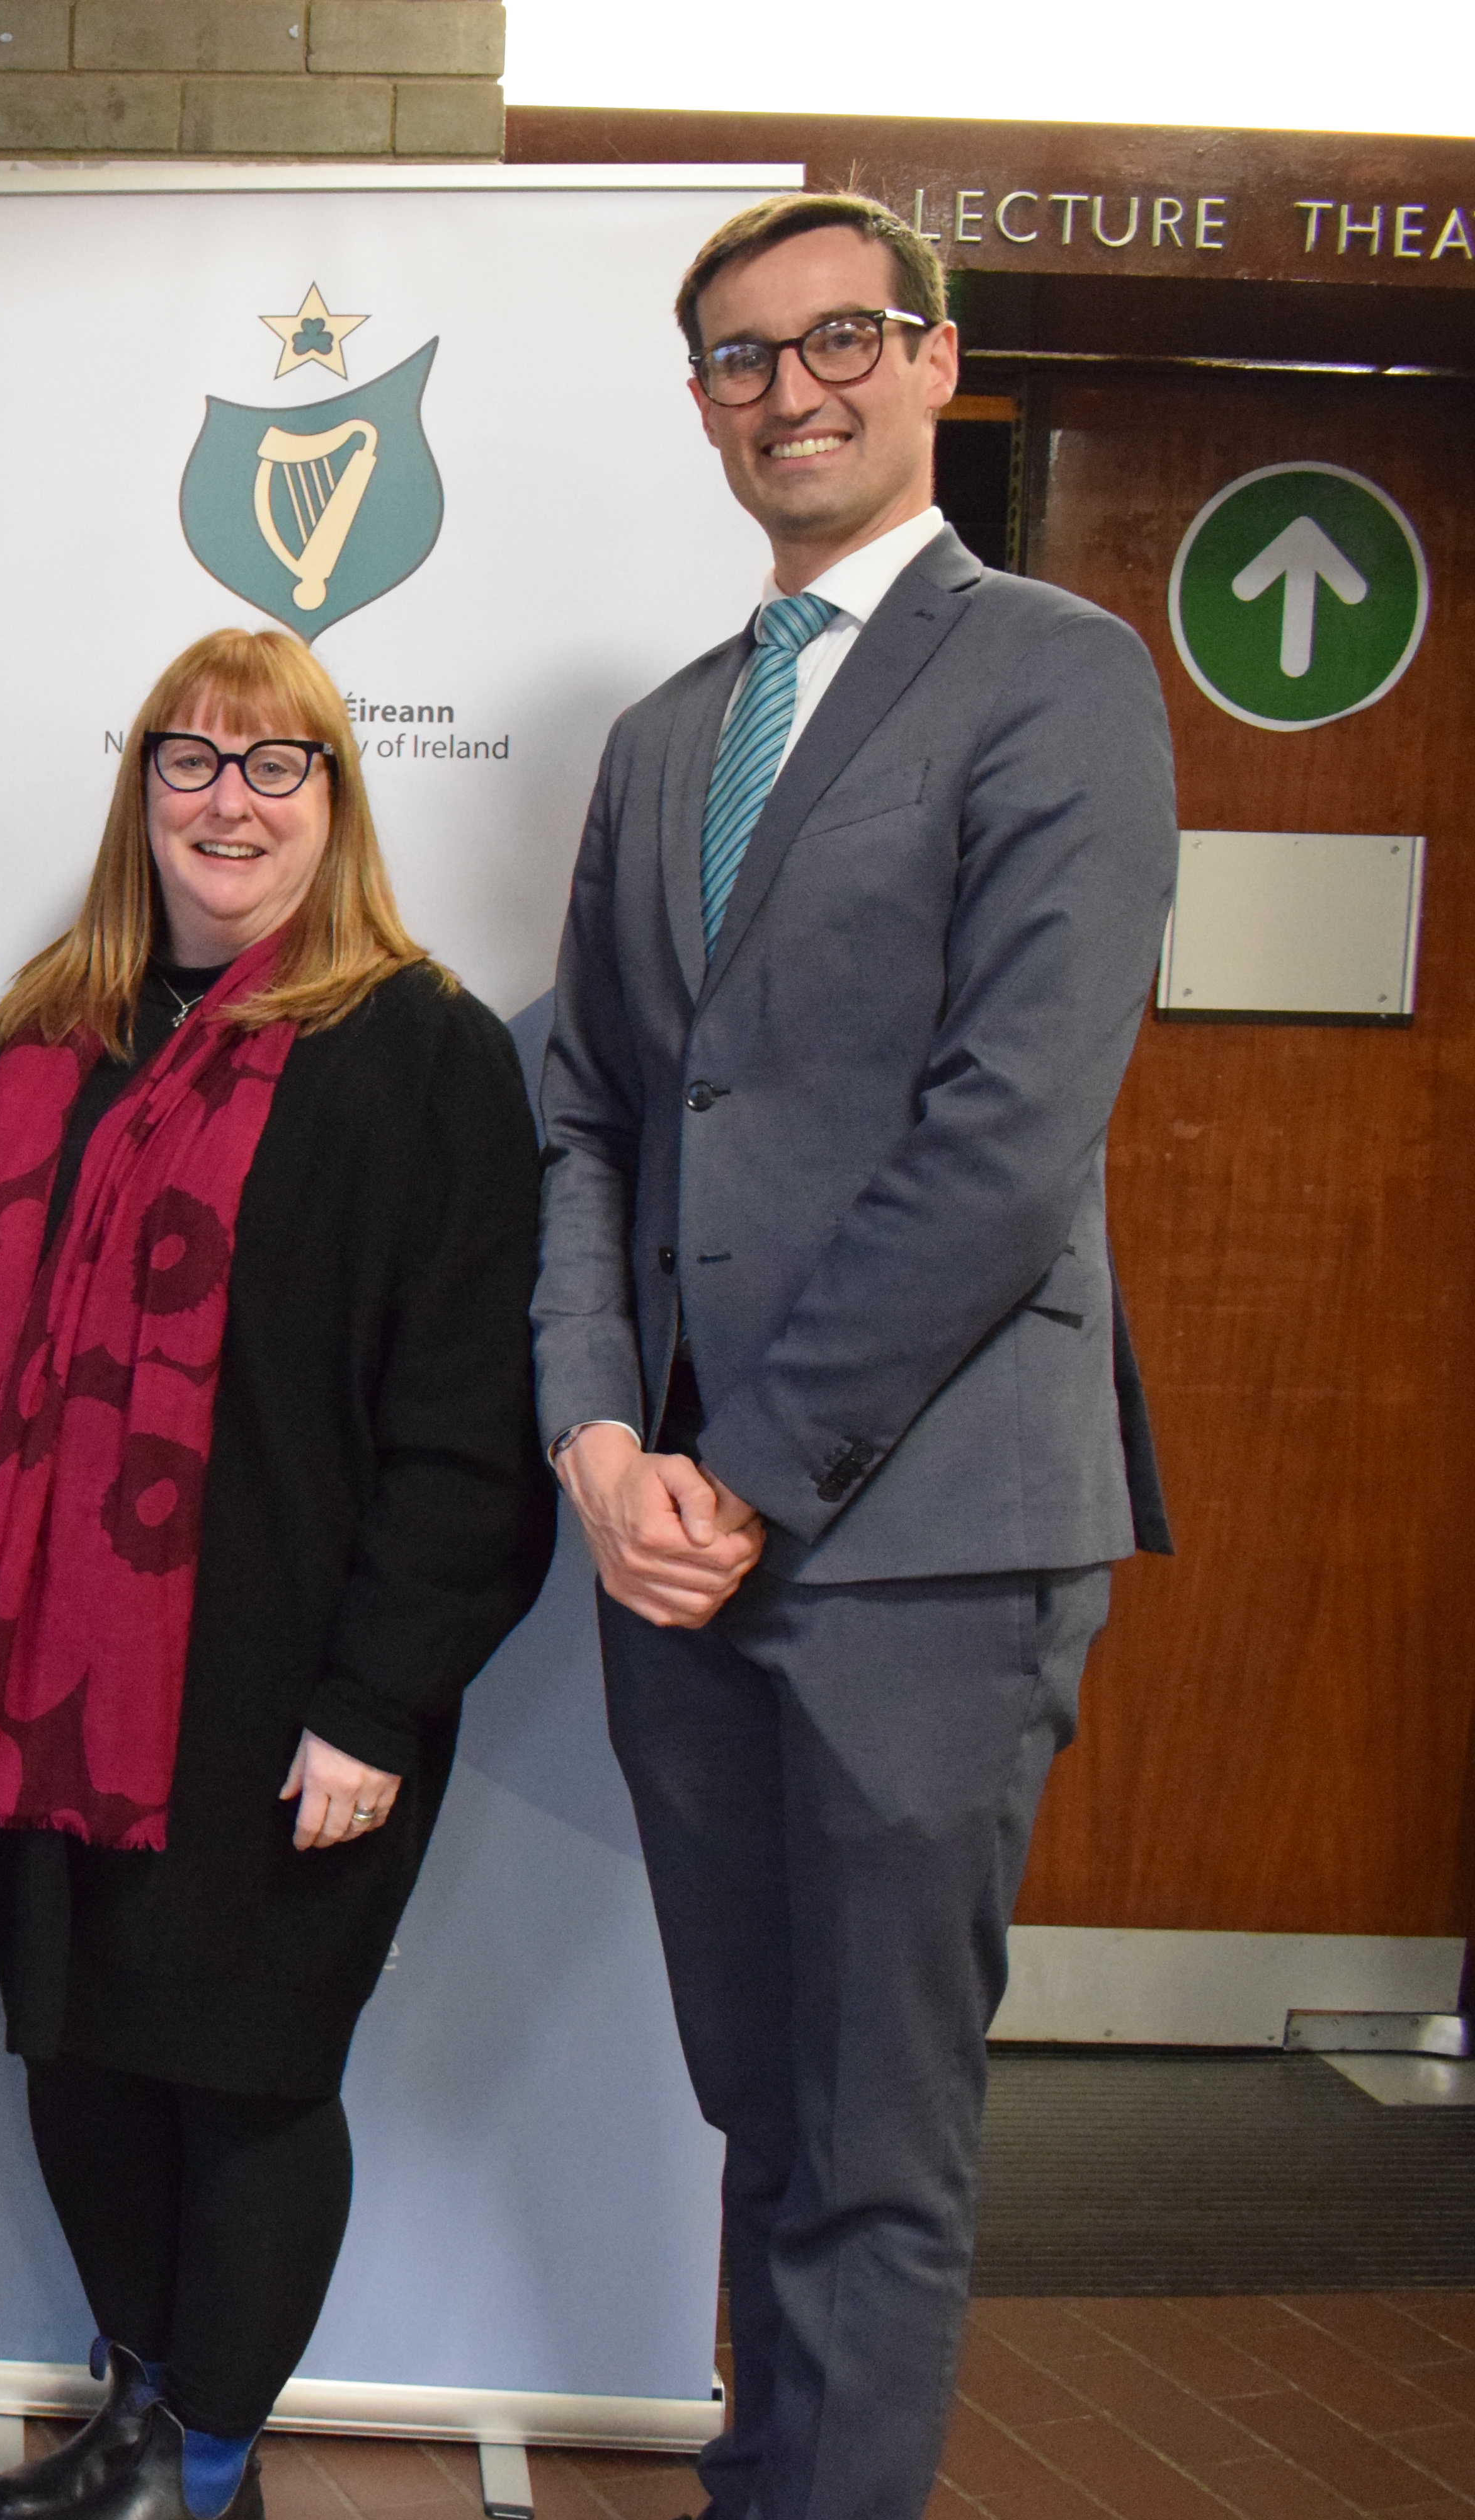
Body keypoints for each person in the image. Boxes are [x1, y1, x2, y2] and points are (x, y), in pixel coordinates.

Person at [535, 192, 1177, 2520]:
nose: (789, 390)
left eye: (839, 340)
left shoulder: (1057, 675)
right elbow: (593, 1108)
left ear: (933, 363)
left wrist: (748, 1471)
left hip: (924, 1540)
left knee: (879, 2146)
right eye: (740, 358)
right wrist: (601, 1430)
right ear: (702, 405)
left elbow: (1010, 1137)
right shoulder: (666, 734)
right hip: (675, 1542)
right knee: (763, 2109)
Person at [0, 626, 552, 2520]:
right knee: (82, 2058)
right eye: (192, 760)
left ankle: (206, 2459)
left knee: (246, 2077)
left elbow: (468, 1425)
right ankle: (147, 2416)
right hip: (43, 1679)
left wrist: (376, 1702)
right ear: (141, 789)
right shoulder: (44, 1036)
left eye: (274, 766)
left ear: (336, 798)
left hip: (278, 1691)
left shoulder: (421, 1050)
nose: (228, 803)